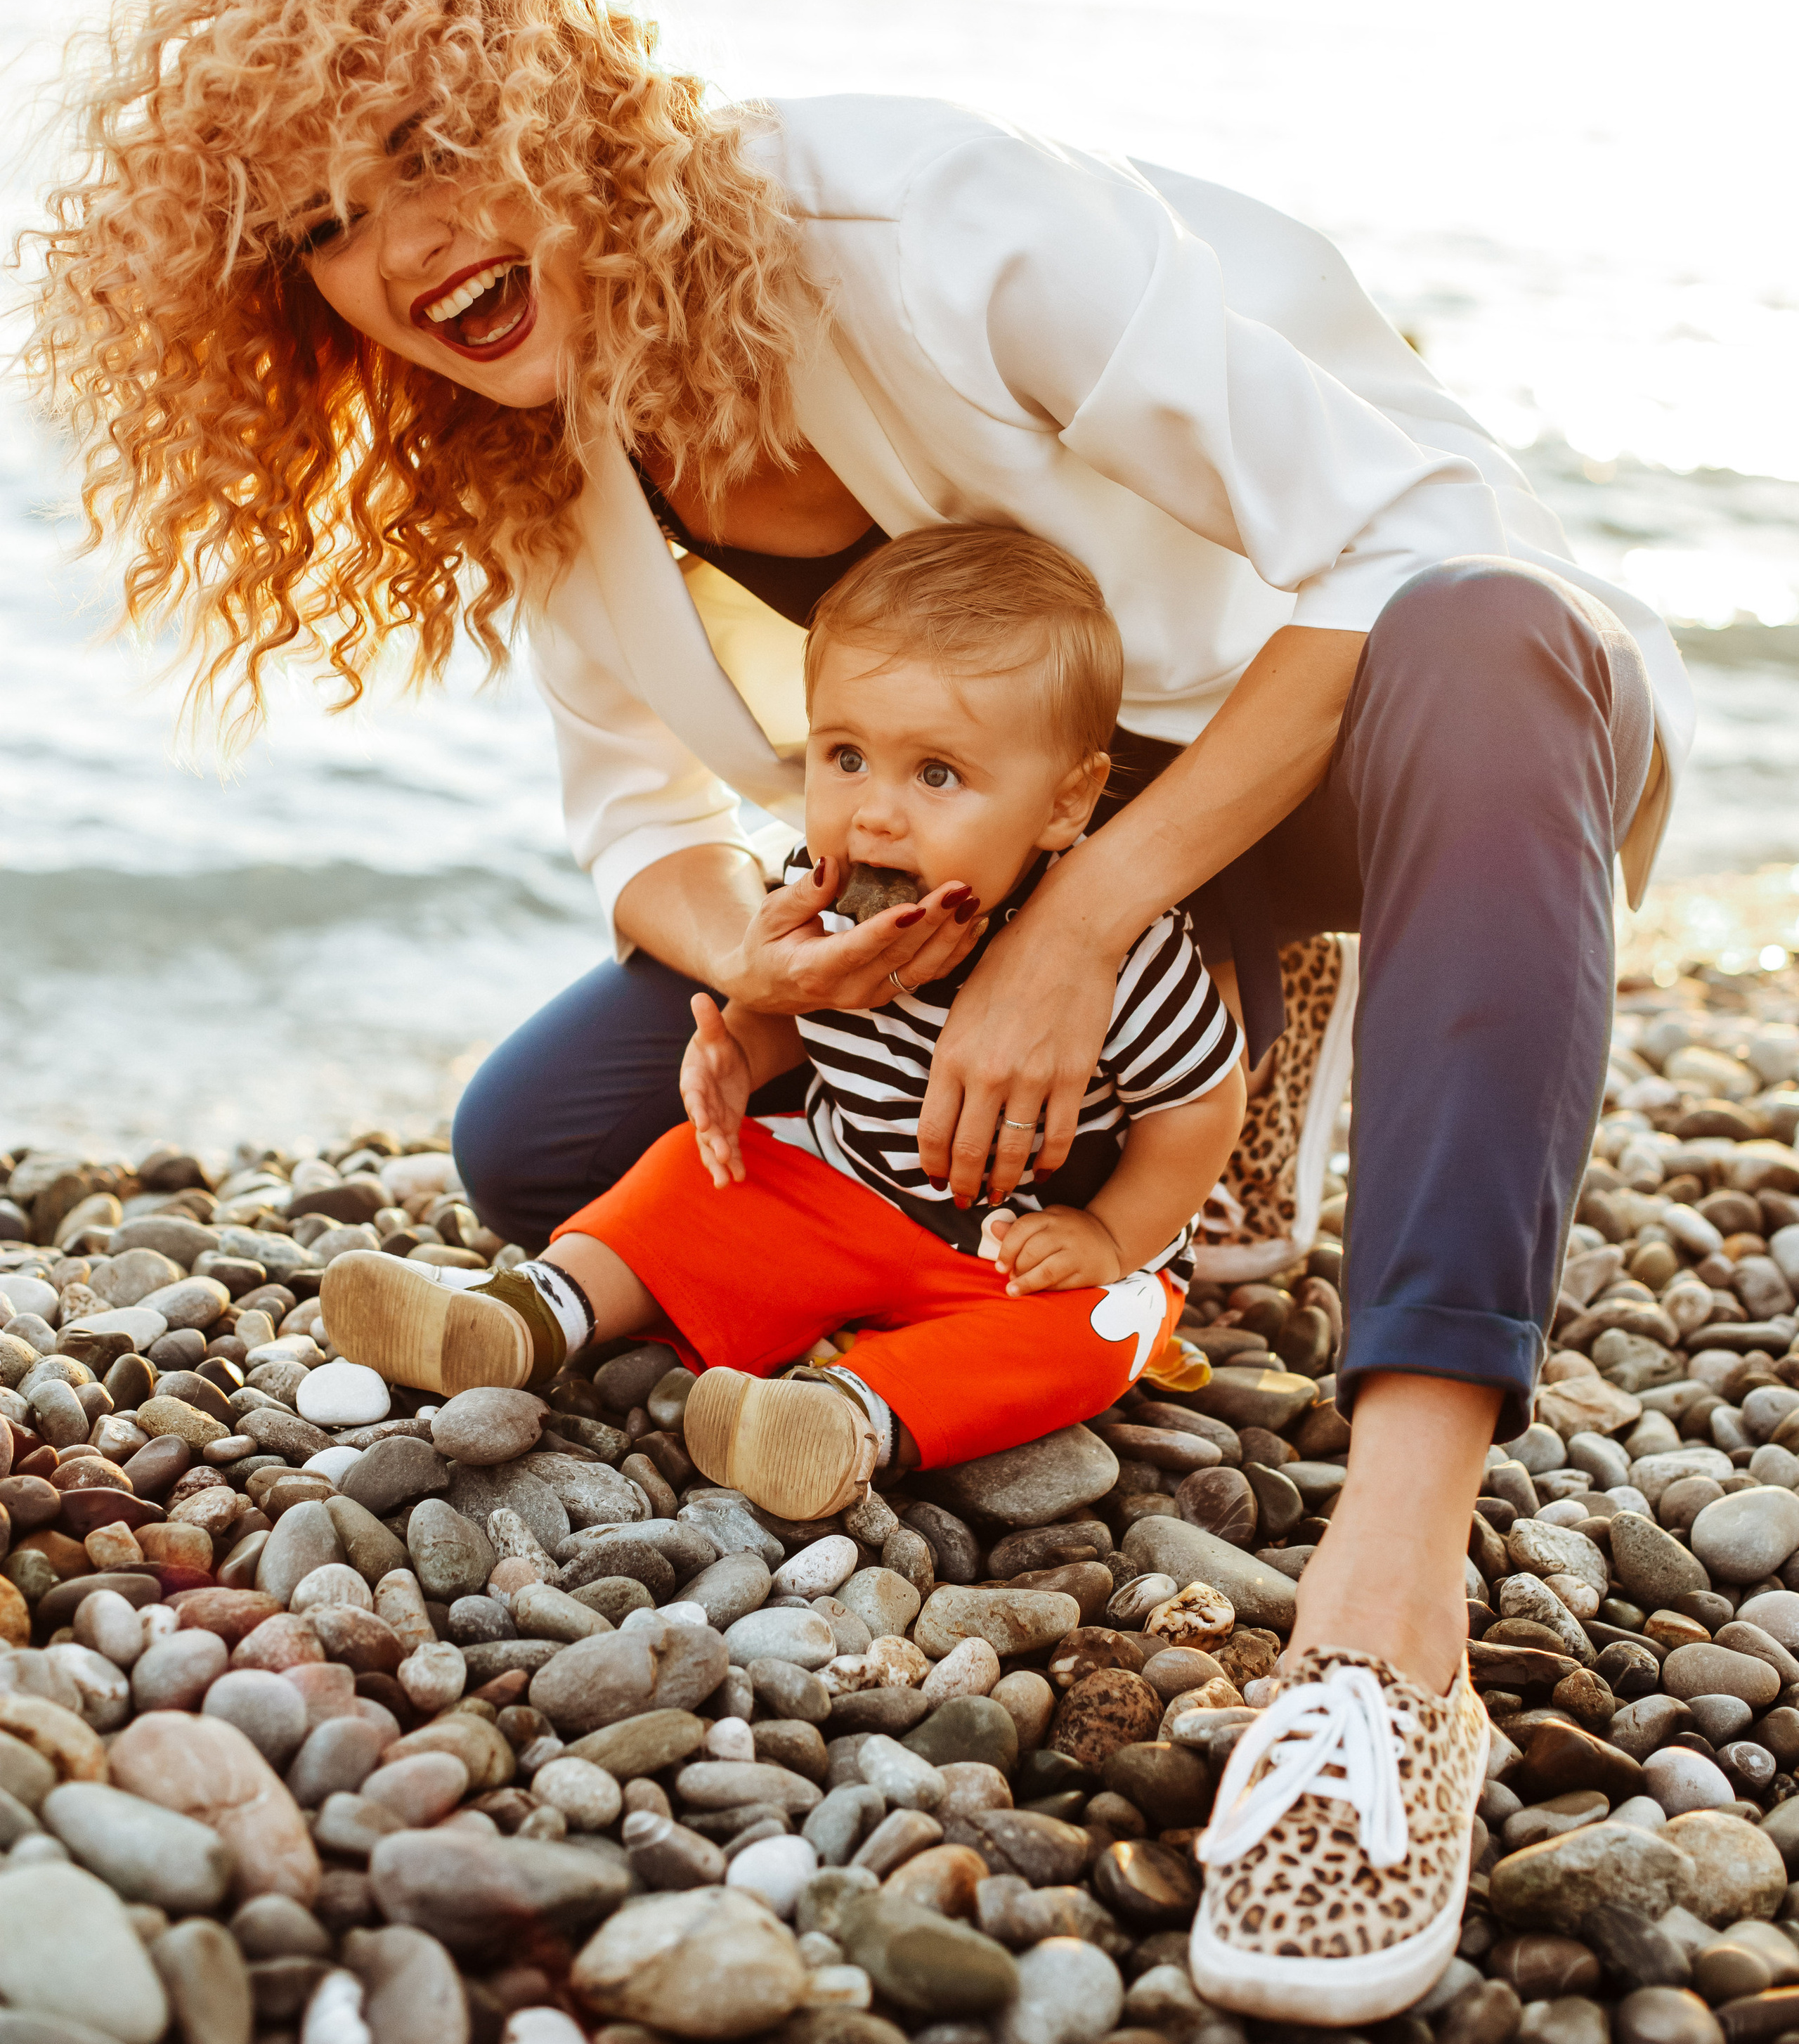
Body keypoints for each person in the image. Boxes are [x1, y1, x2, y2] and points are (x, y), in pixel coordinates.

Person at [22, 0, 1691, 2020]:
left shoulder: (930, 219)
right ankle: (1133, 1181)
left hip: (1395, 743)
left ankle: (1387, 1615)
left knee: (1483, 628)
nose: (401, 246)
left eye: (436, 146)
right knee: (545, 1134)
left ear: (565, 101)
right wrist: (771, 973)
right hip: (994, 872)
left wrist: (1088, 920)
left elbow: (1437, 524)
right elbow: (637, 818)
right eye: (328, 226)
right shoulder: (525, 452)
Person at [320, 523, 1247, 1517]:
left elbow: (1201, 1108)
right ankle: (521, 1321)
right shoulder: (823, 889)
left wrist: (1110, 1235)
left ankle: (844, 1420)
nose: (875, 814)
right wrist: (740, 1048)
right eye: (845, 757)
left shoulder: (1125, 957)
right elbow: (800, 1017)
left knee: (1096, 1334)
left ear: (1066, 805)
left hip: (1025, 1253)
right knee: (692, 1173)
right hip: (848, 1189)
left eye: (937, 775)